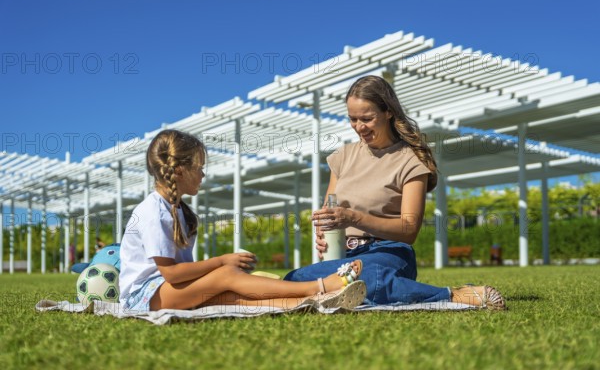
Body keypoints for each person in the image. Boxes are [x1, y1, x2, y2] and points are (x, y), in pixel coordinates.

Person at [284, 75, 506, 310]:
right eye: (353, 119)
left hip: (387, 252)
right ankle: (339, 291)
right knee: (294, 279)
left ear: (388, 112)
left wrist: (352, 217)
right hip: (343, 257)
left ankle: (453, 295)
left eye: (367, 119)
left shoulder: (410, 161)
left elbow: (409, 230)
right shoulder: (342, 157)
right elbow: (330, 211)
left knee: (371, 277)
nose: (359, 127)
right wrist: (322, 231)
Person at [119, 129, 367, 312]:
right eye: (199, 167)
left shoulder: (177, 210)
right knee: (226, 274)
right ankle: (319, 287)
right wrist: (222, 262)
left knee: (229, 296)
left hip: (162, 293)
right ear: (180, 170)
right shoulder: (154, 211)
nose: (203, 174)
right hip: (144, 297)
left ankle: (310, 303)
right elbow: (171, 274)